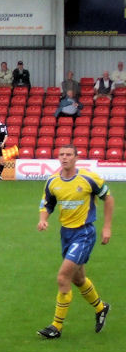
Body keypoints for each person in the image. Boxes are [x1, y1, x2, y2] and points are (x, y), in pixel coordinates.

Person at [36, 145, 113, 339]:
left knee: (63, 278)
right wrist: (43, 219)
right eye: (61, 154)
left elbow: (109, 199)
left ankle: (56, 326)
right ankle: (101, 307)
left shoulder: (88, 179)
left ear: (76, 158)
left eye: (69, 154)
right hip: (66, 234)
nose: (64, 158)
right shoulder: (53, 181)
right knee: (78, 279)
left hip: (84, 233)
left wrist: (106, 227)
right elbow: (47, 203)